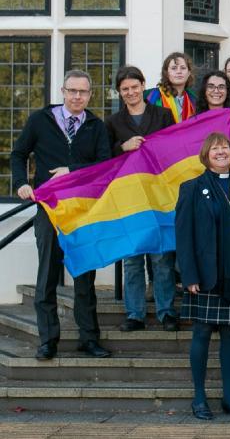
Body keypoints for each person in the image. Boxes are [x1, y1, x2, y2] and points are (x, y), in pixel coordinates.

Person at [12, 70, 112, 360]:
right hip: (49, 208)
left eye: (83, 92)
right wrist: (20, 183)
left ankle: (89, 338)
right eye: (72, 91)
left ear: (90, 95)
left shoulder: (96, 126)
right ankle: (48, 340)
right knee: (47, 275)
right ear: (63, 91)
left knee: (84, 275)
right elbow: (18, 154)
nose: (77, 97)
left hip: (83, 210)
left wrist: (74, 171)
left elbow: (104, 166)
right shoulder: (40, 120)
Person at [175, 132, 230, 420]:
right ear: (206, 155)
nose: (222, 152)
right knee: (201, 332)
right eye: (215, 148)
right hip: (206, 271)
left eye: (225, 147)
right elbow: (183, 235)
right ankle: (199, 398)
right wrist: (189, 274)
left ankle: (229, 397)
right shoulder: (192, 188)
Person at [105, 66, 177, 333]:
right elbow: (103, 158)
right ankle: (134, 314)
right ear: (119, 92)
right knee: (133, 259)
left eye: (135, 87)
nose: (131, 92)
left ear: (143, 86)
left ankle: (166, 311)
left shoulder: (163, 115)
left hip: (158, 195)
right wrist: (121, 148)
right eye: (125, 89)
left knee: (161, 258)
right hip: (129, 198)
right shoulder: (112, 122)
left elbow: (174, 150)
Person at [145, 52, 197, 123]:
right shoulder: (153, 95)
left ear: (188, 73)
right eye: (174, 68)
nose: (179, 71)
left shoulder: (193, 99)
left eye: (183, 68)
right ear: (166, 73)